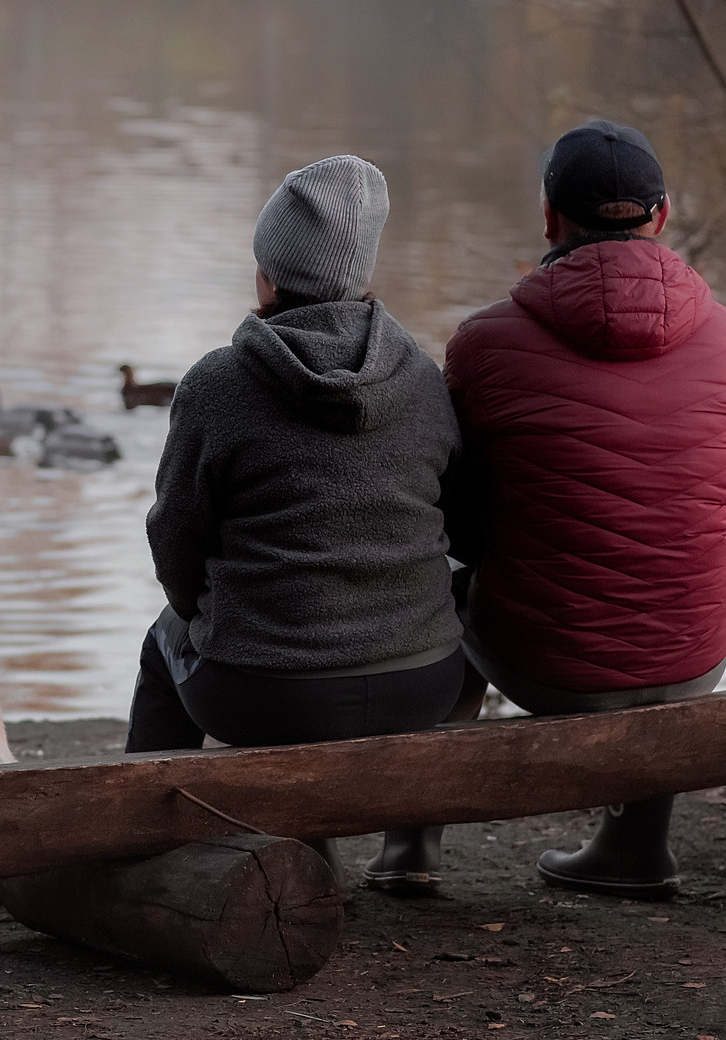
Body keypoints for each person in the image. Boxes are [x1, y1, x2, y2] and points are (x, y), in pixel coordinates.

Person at [374, 119, 726, 899]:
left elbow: (457, 516)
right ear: (662, 216)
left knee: (442, 587)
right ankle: (636, 848)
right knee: (679, 550)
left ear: (550, 219)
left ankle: (410, 846)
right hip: (696, 656)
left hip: (546, 664)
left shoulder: (486, 343)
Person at [126, 155, 471, 775]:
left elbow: (174, 538)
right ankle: (409, 857)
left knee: (166, 639)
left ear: (266, 275)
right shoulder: (421, 378)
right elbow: (454, 512)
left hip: (264, 693)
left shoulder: (216, 384)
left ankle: (141, 841)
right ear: (363, 274)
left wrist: (203, 609)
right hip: (421, 682)